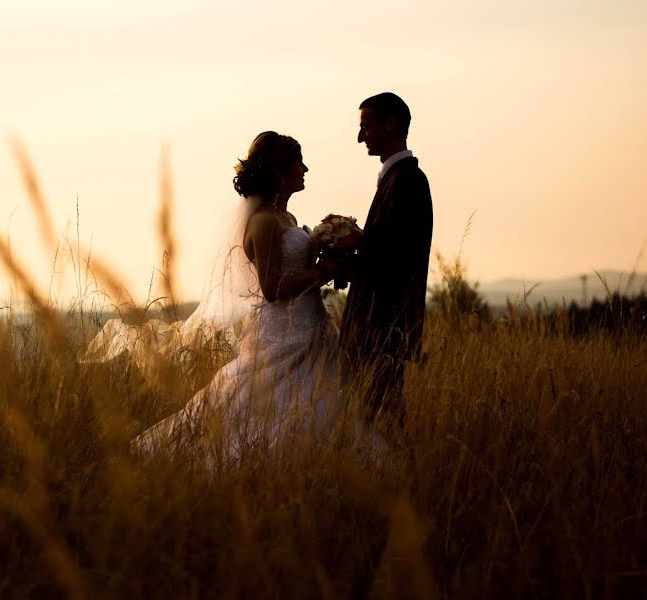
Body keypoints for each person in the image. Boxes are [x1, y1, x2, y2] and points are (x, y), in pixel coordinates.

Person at [84, 132, 346, 461]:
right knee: (267, 410)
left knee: (317, 406)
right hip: (282, 333)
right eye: (298, 163)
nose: (305, 169)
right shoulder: (264, 222)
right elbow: (273, 288)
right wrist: (324, 272)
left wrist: (332, 263)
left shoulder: (287, 219)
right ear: (280, 172)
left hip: (312, 327)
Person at [338, 92, 434, 426]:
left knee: (378, 415)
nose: (360, 136)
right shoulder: (397, 178)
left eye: (366, 126)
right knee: (377, 414)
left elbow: (397, 255)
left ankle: (398, 472)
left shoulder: (408, 180)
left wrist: (356, 241)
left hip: (383, 322)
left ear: (390, 124)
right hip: (378, 322)